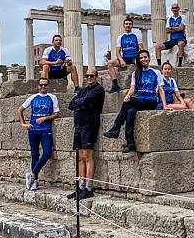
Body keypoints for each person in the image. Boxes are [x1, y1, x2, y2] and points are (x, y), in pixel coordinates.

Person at [103, 50, 165, 153]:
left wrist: (165, 105)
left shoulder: (156, 72)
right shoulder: (136, 73)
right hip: (139, 100)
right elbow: (132, 89)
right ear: (138, 60)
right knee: (130, 112)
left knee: (130, 103)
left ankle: (115, 128)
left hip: (151, 100)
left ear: (149, 58)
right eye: (141, 58)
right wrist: (127, 96)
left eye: (145, 57)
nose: (143, 59)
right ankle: (130, 143)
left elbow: (161, 89)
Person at [66, 68, 105, 200]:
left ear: (96, 76)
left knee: (88, 156)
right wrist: (81, 103)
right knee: (80, 157)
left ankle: (89, 188)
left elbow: (84, 101)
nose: (89, 77)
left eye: (91, 75)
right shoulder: (83, 90)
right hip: (79, 125)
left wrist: (81, 103)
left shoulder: (98, 89)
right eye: (87, 75)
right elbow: (71, 105)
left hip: (89, 124)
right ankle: (80, 186)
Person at [17, 78, 60, 191]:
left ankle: (32, 174)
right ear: (38, 86)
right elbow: (20, 110)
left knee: (47, 153)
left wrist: (45, 118)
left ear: (48, 86)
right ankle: (34, 181)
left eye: (45, 85)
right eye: (41, 85)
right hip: (33, 130)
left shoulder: (52, 97)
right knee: (35, 155)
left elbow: (56, 114)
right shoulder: (33, 97)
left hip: (46, 130)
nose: (43, 87)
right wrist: (23, 124)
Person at [107, 18, 144, 93]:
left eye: (130, 24)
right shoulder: (120, 37)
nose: (128, 25)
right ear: (124, 25)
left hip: (134, 57)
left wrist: (140, 58)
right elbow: (117, 51)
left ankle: (139, 84)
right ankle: (115, 85)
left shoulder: (136, 35)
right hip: (125, 58)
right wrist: (121, 60)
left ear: (132, 26)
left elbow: (142, 49)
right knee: (110, 63)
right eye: (126, 24)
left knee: (140, 65)